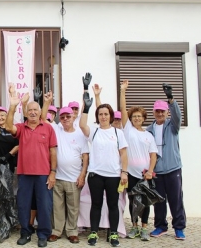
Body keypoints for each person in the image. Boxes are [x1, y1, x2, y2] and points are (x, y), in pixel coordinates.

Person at [79, 73, 128, 247]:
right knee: (96, 204)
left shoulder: (118, 133)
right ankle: (94, 233)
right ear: (98, 116)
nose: (103, 116)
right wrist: (86, 108)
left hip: (114, 175)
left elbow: (123, 154)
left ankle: (113, 234)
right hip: (96, 175)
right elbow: (82, 126)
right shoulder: (95, 131)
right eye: (101, 114)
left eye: (106, 114)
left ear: (111, 116)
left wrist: (124, 172)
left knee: (113, 205)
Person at [5, 91, 57, 248]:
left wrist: (53, 172)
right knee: (23, 205)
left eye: (36, 109)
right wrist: (13, 106)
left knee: (44, 206)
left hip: (43, 174)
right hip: (24, 174)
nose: (33, 112)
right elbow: (8, 127)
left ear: (40, 112)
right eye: (30, 110)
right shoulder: (21, 128)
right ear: (26, 112)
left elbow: (53, 151)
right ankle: (25, 232)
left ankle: (43, 234)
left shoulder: (48, 129)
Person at [146, 83, 186, 240]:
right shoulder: (149, 130)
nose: (160, 113)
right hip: (157, 172)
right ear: (154, 112)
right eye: (157, 111)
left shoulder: (173, 126)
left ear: (167, 112)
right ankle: (160, 226)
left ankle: (179, 228)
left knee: (176, 200)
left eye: (162, 111)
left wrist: (171, 99)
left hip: (173, 169)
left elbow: (177, 115)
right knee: (159, 201)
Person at [119, 79, 158, 241]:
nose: (136, 119)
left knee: (145, 202)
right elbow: (122, 108)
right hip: (130, 174)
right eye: (133, 116)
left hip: (144, 175)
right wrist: (123, 91)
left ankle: (144, 228)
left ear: (143, 118)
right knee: (133, 200)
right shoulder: (127, 129)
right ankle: (134, 227)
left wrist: (150, 171)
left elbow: (153, 155)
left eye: (139, 117)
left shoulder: (149, 135)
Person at [48, 102, 89, 244]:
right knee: (57, 207)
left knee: (73, 207)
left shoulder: (80, 134)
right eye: (63, 117)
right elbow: (43, 118)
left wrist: (83, 175)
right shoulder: (56, 130)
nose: (65, 119)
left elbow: (85, 156)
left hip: (74, 178)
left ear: (73, 117)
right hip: (57, 177)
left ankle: (72, 231)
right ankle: (56, 231)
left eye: (68, 116)